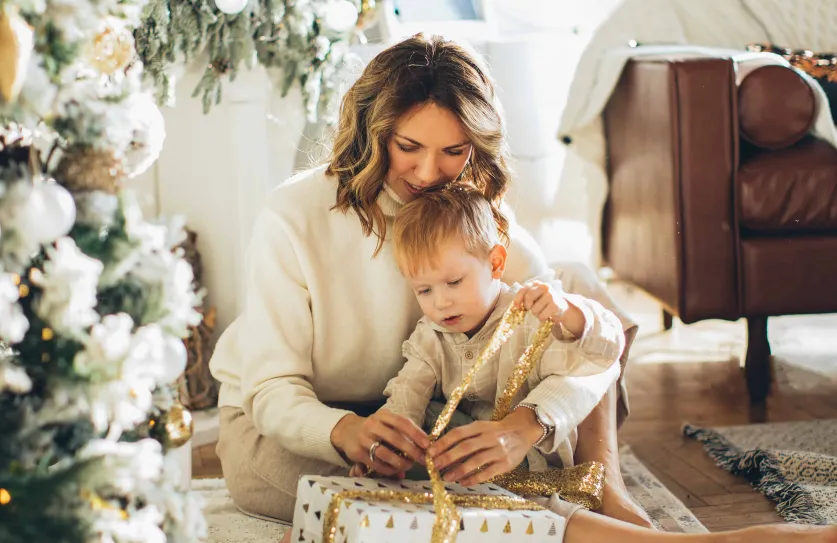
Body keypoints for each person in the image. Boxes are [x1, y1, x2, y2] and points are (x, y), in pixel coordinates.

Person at [209, 33, 837, 543]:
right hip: (300, 427)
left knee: (576, 297)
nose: (429, 172)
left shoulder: (473, 210)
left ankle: (602, 483)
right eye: (408, 147)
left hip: (433, 413)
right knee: (399, 494)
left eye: (453, 151)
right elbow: (270, 390)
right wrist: (344, 430)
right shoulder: (293, 215)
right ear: (373, 132)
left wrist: (526, 427)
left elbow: (593, 346)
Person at [345, 183, 623, 490]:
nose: (441, 302)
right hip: (470, 462)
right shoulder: (429, 337)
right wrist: (385, 449)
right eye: (424, 290)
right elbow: (407, 397)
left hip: (534, 458)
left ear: (495, 263)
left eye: (454, 282)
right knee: (419, 422)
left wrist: (569, 313)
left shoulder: (529, 315)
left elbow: (603, 355)